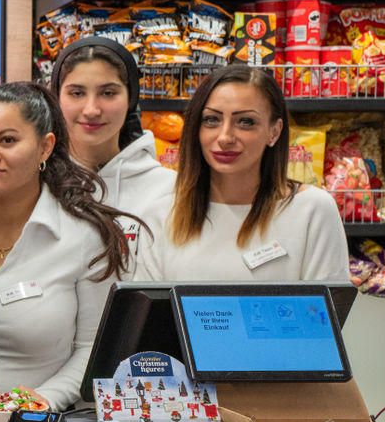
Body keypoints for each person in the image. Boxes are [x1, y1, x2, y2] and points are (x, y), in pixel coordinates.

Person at [0, 81, 134, 411]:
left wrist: (42, 401)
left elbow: (93, 348)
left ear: (45, 147)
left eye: (7, 140)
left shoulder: (84, 236)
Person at [134, 65, 348, 283]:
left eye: (245, 122)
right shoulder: (160, 215)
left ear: (274, 131)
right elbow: (149, 313)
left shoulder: (313, 211)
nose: (225, 137)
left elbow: (326, 314)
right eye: (211, 120)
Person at [45, 35, 177, 232]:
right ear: (57, 97)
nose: (91, 110)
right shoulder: (35, 185)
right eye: (77, 93)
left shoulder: (168, 190)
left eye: (108, 93)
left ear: (130, 98)